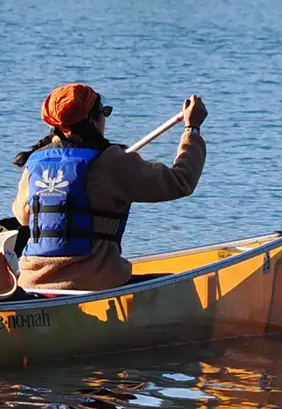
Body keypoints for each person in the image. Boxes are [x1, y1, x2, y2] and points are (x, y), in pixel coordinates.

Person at [12, 84, 208, 292]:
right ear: (93, 120)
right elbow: (181, 181)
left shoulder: (35, 162)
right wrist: (192, 130)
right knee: (183, 287)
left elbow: (23, 217)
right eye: (104, 112)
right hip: (96, 283)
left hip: (32, 282)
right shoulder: (113, 161)